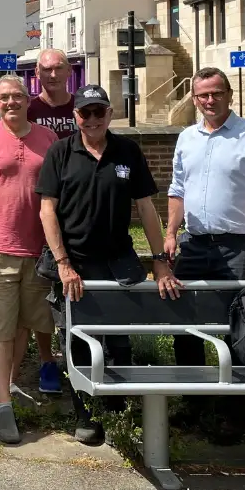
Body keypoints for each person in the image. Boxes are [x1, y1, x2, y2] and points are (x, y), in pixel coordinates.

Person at [37, 84, 182, 445]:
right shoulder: (59, 152)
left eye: (98, 112)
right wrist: (63, 263)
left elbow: (146, 209)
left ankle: (117, 411)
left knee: (119, 342)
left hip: (118, 263)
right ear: (76, 117)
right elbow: (47, 210)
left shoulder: (127, 152)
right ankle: (86, 414)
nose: (91, 119)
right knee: (77, 342)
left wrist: (160, 262)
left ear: (109, 115)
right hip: (74, 265)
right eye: (85, 113)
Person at [165, 67, 245, 445]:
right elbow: (177, 189)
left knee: (240, 328)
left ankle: (233, 413)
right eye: (202, 95)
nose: (209, 101)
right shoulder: (187, 137)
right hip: (195, 244)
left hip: (239, 246)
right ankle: (194, 402)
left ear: (229, 95)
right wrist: (169, 233)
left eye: (216, 93)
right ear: (195, 99)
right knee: (185, 325)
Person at [0, 74, 60, 444]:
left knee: (24, 325)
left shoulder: (48, 139)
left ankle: (13, 382)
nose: (11, 103)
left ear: (27, 99)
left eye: (17, 96)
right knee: (1, 327)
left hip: (37, 251)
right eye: (4, 98)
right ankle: (3, 403)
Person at [27, 48, 78, 139]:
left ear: (69, 70)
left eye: (59, 68)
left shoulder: (82, 108)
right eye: (47, 69)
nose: (53, 75)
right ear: (37, 73)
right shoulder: (27, 110)